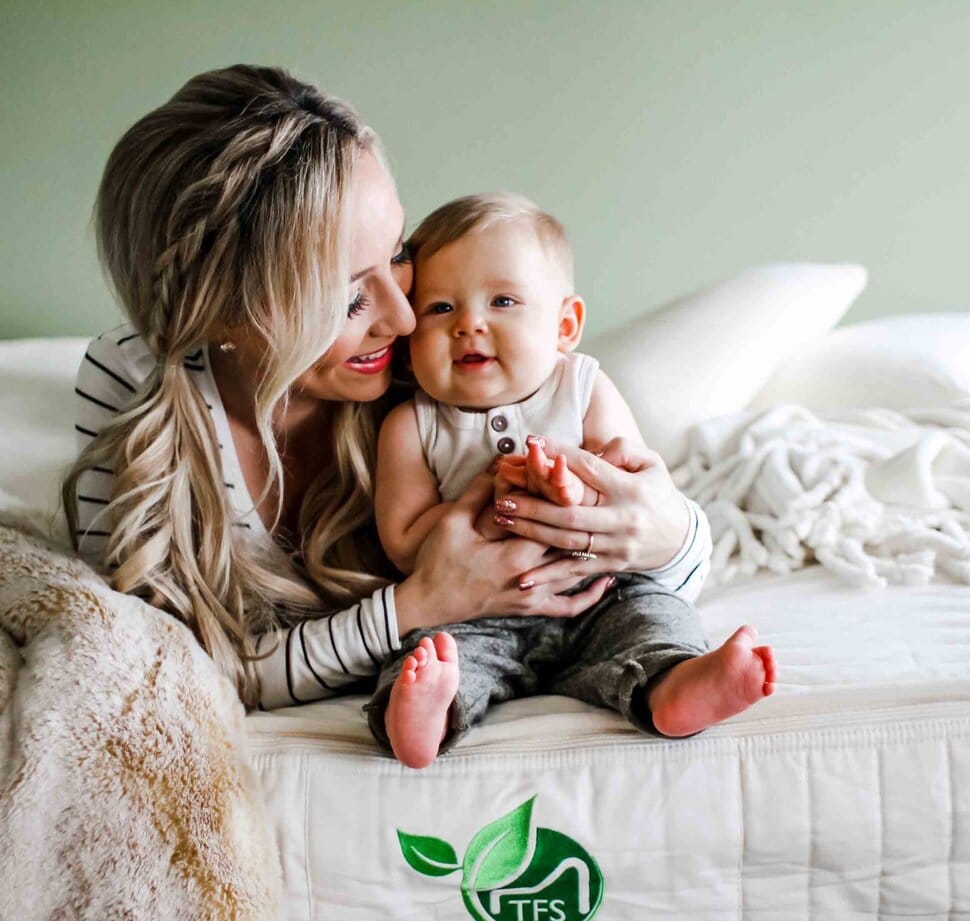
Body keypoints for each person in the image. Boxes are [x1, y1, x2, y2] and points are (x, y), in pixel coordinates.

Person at [61, 65, 701, 718]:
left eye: (396, 255)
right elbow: (158, 668)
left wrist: (660, 532)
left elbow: (674, 569)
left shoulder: (437, 356)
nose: (403, 317)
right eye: (347, 300)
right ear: (221, 312)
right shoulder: (136, 381)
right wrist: (422, 605)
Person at [367, 193, 777, 767]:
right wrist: (481, 515)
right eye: (439, 309)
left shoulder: (582, 386)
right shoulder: (411, 425)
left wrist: (572, 494)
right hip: (475, 611)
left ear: (564, 325)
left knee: (653, 616)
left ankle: (678, 686)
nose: (469, 325)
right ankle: (426, 714)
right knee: (431, 654)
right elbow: (405, 542)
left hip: (599, 593)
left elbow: (628, 482)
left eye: (503, 300)